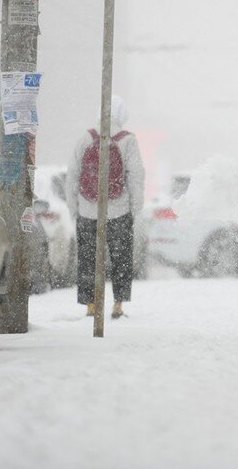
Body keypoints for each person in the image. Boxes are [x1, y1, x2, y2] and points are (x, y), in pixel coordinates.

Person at [67, 95, 145, 319]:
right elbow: (135, 176)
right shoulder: (127, 140)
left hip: (87, 211)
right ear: (122, 114)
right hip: (119, 211)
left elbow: (72, 175)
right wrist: (135, 209)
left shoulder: (86, 137)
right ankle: (117, 305)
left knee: (88, 258)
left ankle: (91, 305)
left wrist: (75, 208)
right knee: (121, 259)